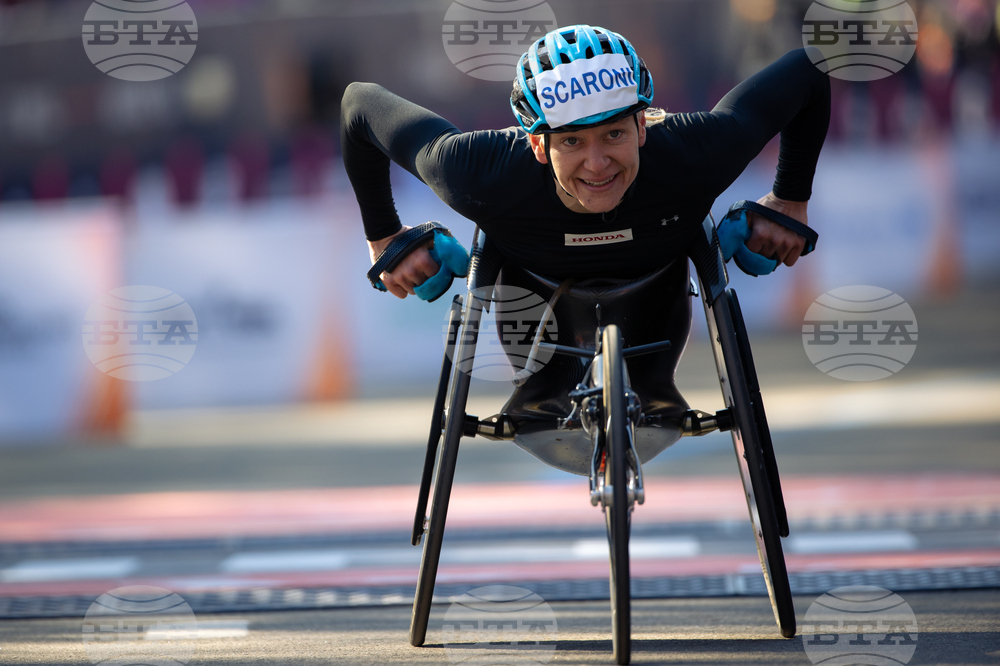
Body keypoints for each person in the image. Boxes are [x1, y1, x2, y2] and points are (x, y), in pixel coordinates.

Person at [341, 23, 830, 300]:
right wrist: (384, 236)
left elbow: (810, 69)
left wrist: (791, 199)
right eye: (571, 142)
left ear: (643, 126)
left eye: (614, 133)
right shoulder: (474, 168)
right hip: (531, 307)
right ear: (536, 145)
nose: (597, 164)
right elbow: (358, 103)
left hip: (661, 291)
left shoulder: (695, 150)